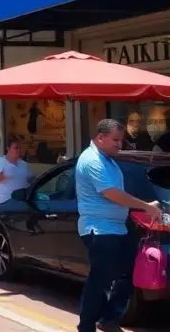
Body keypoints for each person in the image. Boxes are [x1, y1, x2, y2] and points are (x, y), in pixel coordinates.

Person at [75, 119, 162, 332]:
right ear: (100, 137)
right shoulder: (93, 160)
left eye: (121, 140)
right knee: (100, 279)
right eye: (115, 140)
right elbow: (112, 193)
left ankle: (109, 319)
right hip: (99, 229)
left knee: (127, 273)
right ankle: (86, 326)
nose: (119, 144)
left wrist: (137, 211)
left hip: (117, 228)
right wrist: (146, 206)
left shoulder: (108, 160)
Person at [0, 136, 32, 208]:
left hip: (20, 203)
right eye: (16, 148)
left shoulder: (24, 165)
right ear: (8, 149)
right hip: (2, 202)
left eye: (20, 148)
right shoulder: (0, 162)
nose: (18, 150)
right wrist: (5, 175)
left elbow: (30, 180)